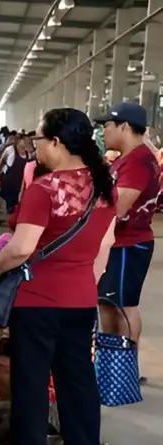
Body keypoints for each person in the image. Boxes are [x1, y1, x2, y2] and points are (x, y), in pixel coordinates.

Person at [0, 108, 116, 445]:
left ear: (56, 143)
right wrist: (85, 283)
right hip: (80, 300)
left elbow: (22, 247)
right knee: (78, 380)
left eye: (39, 140)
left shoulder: (45, 189)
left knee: (31, 379)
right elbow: (103, 248)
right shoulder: (106, 187)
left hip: (38, 300)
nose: (36, 147)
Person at [93, 102, 160, 374]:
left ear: (124, 126)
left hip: (128, 244)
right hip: (119, 243)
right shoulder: (125, 158)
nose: (103, 132)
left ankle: (125, 369)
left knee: (123, 306)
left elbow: (118, 208)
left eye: (107, 126)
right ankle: (111, 364)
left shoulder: (138, 161)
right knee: (108, 304)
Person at [0, 134, 33, 212]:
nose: (27, 142)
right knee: (6, 202)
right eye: (25, 140)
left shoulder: (28, 153)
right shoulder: (10, 149)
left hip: (20, 181)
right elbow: (0, 163)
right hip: (8, 180)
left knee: (16, 203)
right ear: (18, 141)